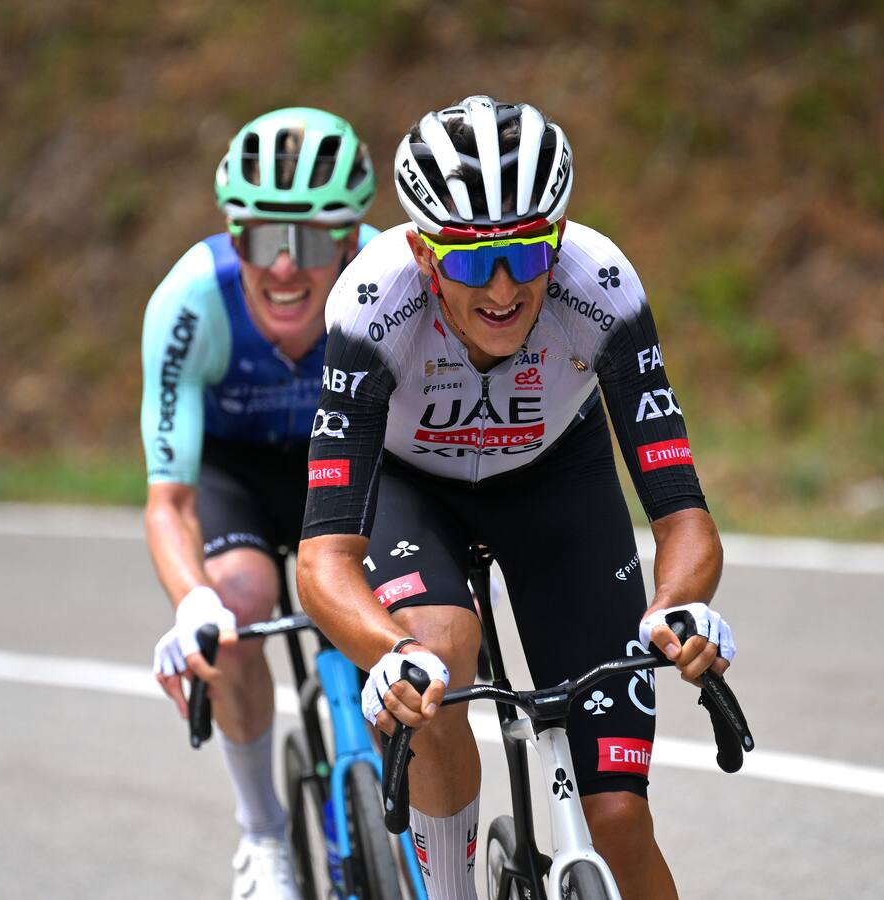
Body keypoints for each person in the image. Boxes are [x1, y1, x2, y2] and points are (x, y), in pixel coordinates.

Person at [296, 96, 736, 900]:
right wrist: (388, 652)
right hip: (413, 489)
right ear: (426, 259)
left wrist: (679, 606)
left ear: (557, 244)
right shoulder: (370, 305)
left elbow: (683, 515)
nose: (502, 289)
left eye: (526, 256)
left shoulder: (599, 285)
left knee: (621, 825)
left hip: (554, 480)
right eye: (469, 263)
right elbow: (325, 557)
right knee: (435, 647)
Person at [141, 107, 377, 900]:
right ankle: (263, 832)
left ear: (350, 240)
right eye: (258, 239)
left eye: (310, 241)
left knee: (387, 590)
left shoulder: (391, 284)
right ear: (232, 236)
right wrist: (191, 600)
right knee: (237, 607)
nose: (282, 268)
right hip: (234, 471)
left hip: (339, 461)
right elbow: (169, 500)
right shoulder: (191, 301)